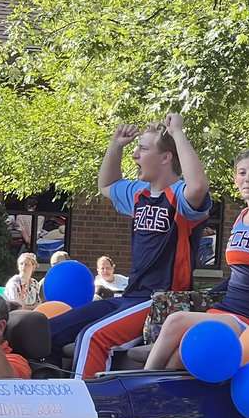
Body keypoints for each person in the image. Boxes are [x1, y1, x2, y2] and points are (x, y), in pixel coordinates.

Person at [50, 114, 212, 377]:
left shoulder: (180, 196)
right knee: (49, 329)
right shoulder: (139, 194)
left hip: (161, 302)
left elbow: (199, 185)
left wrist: (178, 133)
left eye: (143, 148)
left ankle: (87, 408)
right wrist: (116, 145)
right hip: (128, 296)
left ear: (166, 158)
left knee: (93, 337)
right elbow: (107, 184)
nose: (135, 155)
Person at [144, 148, 249, 370]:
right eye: (242, 173)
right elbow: (240, 276)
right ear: (235, 179)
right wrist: (203, 295)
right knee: (171, 353)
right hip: (227, 310)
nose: (248, 179)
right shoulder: (241, 217)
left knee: (176, 322)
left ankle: (143, 384)